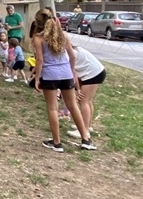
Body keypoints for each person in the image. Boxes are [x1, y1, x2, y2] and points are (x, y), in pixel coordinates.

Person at [32, 8, 96, 153]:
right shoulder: (63, 35)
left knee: (52, 108)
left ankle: (57, 143)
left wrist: (37, 78)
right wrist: (71, 71)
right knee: (73, 106)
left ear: (38, 23)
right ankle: (86, 139)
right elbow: (72, 56)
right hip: (66, 74)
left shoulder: (38, 38)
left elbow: (40, 60)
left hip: (50, 75)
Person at [67, 46, 106, 140]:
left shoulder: (67, 54)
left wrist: (77, 89)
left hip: (92, 74)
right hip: (97, 72)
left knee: (83, 101)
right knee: (88, 101)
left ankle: (84, 131)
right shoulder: (73, 50)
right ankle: (87, 125)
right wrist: (78, 89)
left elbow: (73, 73)